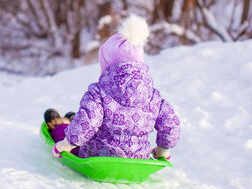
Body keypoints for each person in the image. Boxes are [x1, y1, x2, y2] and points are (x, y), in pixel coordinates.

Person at [52, 15, 180, 160]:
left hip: (98, 156)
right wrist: (162, 150)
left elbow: (88, 121)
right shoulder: (152, 96)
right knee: (78, 126)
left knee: (62, 131)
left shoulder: (99, 92)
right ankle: (70, 120)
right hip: (138, 157)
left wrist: (66, 144)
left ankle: (59, 125)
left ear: (108, 66)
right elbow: (170, 122)